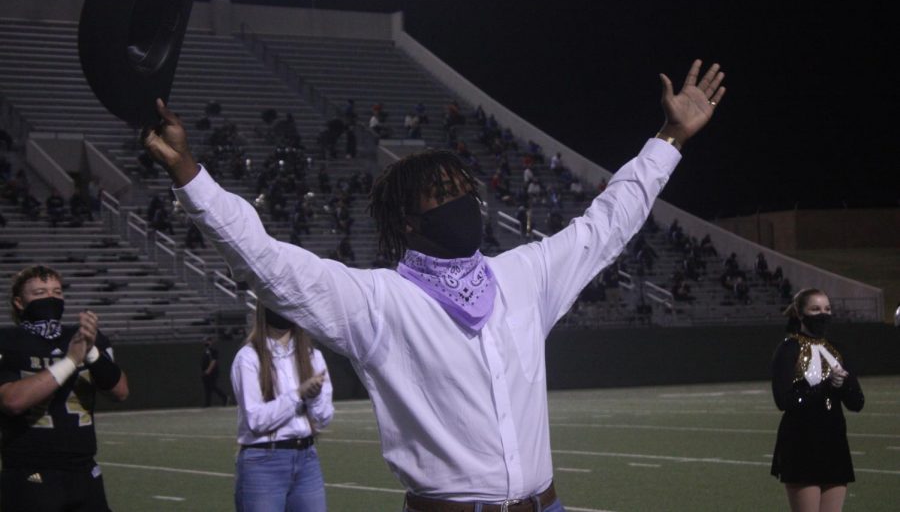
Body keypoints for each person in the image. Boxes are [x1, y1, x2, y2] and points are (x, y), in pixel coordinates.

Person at [143, 59, 725, 510]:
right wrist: (190, 176)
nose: (461, 203)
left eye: (463, 191)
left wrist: (668, 140)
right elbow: (268, 262)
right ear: (407, 222)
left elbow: (607, 223)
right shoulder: (380, 302)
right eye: (441, 196)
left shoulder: (522, 275)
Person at [0, 265, 129, 512]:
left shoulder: (81, 337)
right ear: (19, 302)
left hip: (84, 470)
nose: (50, 297)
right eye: (39, 292)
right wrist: (70, 361)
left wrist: (91, 352)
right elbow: (12, 401)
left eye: (57, 292)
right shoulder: (7, 340)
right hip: (29, 473)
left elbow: (120, 391)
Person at [231, 303, 333, 512]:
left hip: (306, 458)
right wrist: (298, 395)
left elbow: (323, 418)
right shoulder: (248, 358)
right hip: (263, 461)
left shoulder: (313, 356)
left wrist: (313, 398)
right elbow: (256, 420)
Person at [771, 288, 865, 512]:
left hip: (834, 440)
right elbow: (784, 401)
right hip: (801, 442)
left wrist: (843, 385)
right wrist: (826, 386)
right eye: (815, 309)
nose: (823, 314)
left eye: (827, 309)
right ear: (800, 313)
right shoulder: (788, 349)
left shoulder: (838, 350)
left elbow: (857, 403)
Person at [201, 336, 228, 407]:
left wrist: (208, 370)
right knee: (207, 388)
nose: (205, 342)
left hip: (212, 372)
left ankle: (224, 397)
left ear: (210, 342)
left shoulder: (213, 350)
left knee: (212, 386)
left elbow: (214, 361)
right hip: (206, 372)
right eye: (204, 341)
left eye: (207, 341)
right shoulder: (205, 351)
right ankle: (207, 403)